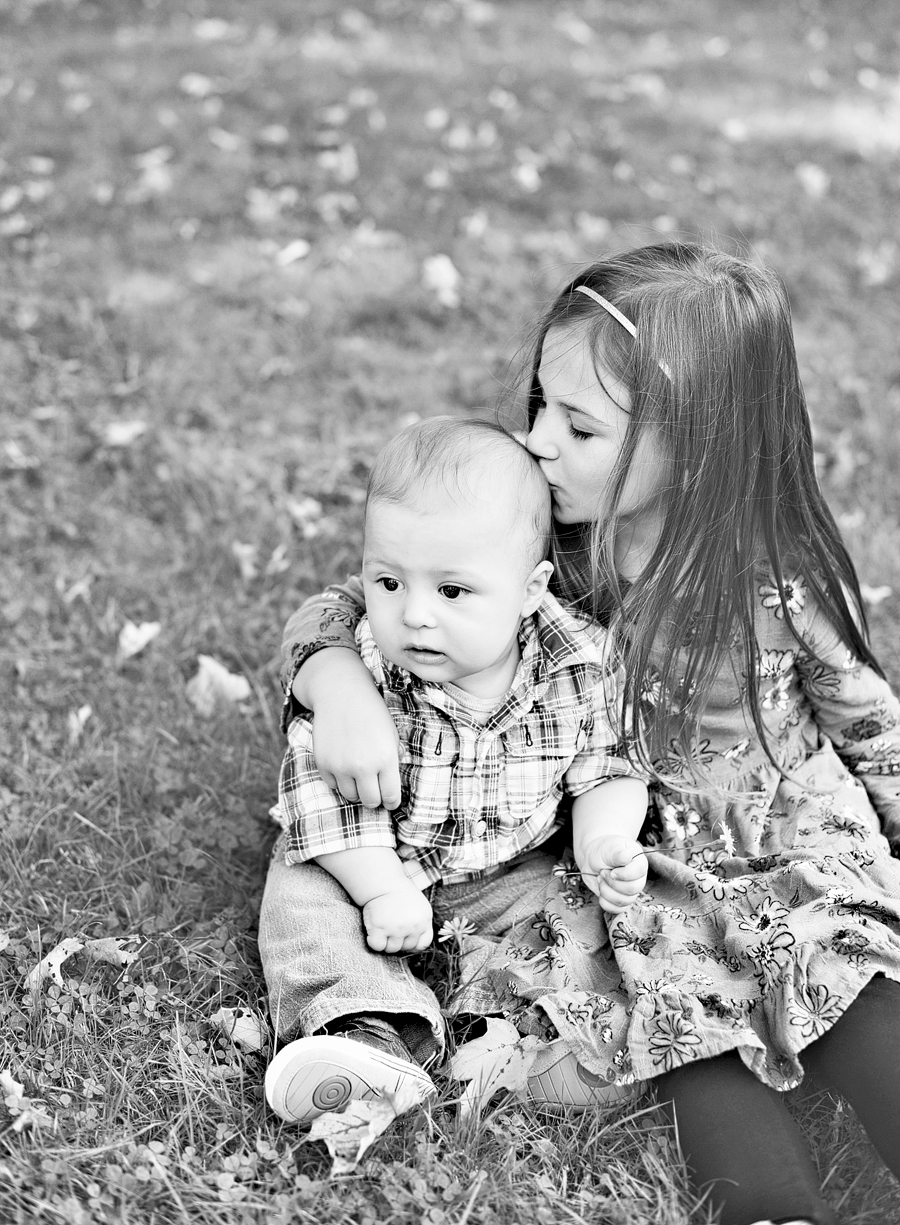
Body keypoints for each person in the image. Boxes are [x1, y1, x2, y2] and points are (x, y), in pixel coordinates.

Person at [276, 242, 900, 1225]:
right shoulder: (547, 550)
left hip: (787, 832)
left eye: (578, 425)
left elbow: (865, 717)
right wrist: (342, 684)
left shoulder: (764, 577)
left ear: (700, 444)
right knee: (683, 1016)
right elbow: (341, 609)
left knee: (852, 989)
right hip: (645, 862)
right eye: (537, 405)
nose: (534, 442)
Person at [260, 417, 649, 1128]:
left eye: (451, 592)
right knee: (301, 903)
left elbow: (611, 765)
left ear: (530, 589)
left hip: (508, 863)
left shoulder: (580, 667)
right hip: (367, 856)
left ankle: (514, 1039)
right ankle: (362, 1035)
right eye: (387, 580)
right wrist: (380, 890)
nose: (412, 615)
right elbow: (321, 794)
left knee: (568, 920)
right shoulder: (368, 664)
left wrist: (603, 840)